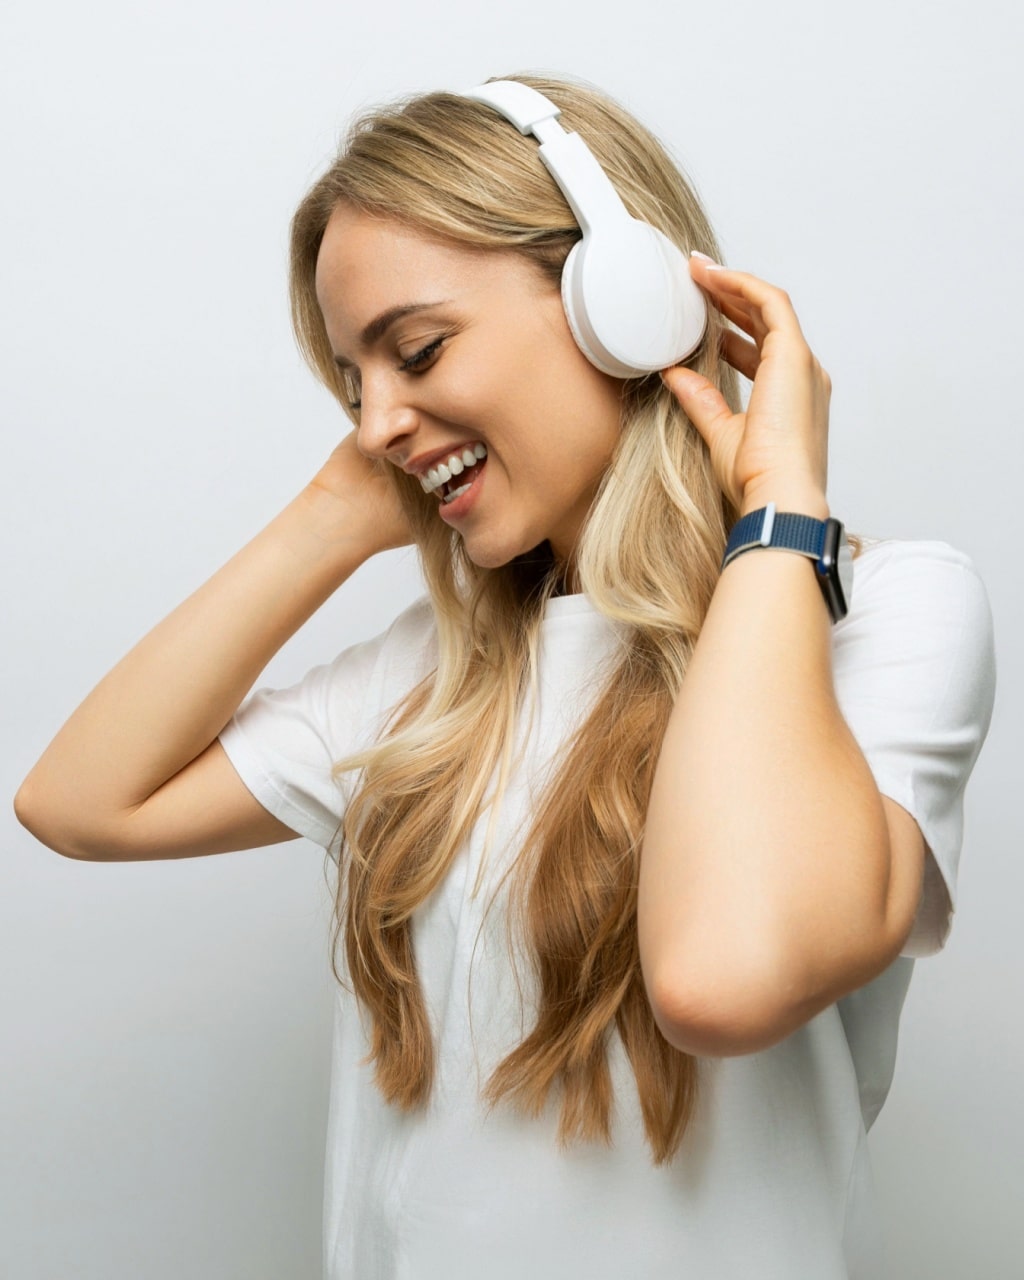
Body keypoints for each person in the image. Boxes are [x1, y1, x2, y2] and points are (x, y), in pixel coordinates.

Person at [14, 73, 994, 1278]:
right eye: (351, 380)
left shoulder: (881, 615)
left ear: (617, 306)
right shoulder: (433, 680)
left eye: (416, 349)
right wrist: (330, 513)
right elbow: (78, 801)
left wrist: (777, 513)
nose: (376, 419)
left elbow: (721, 977)